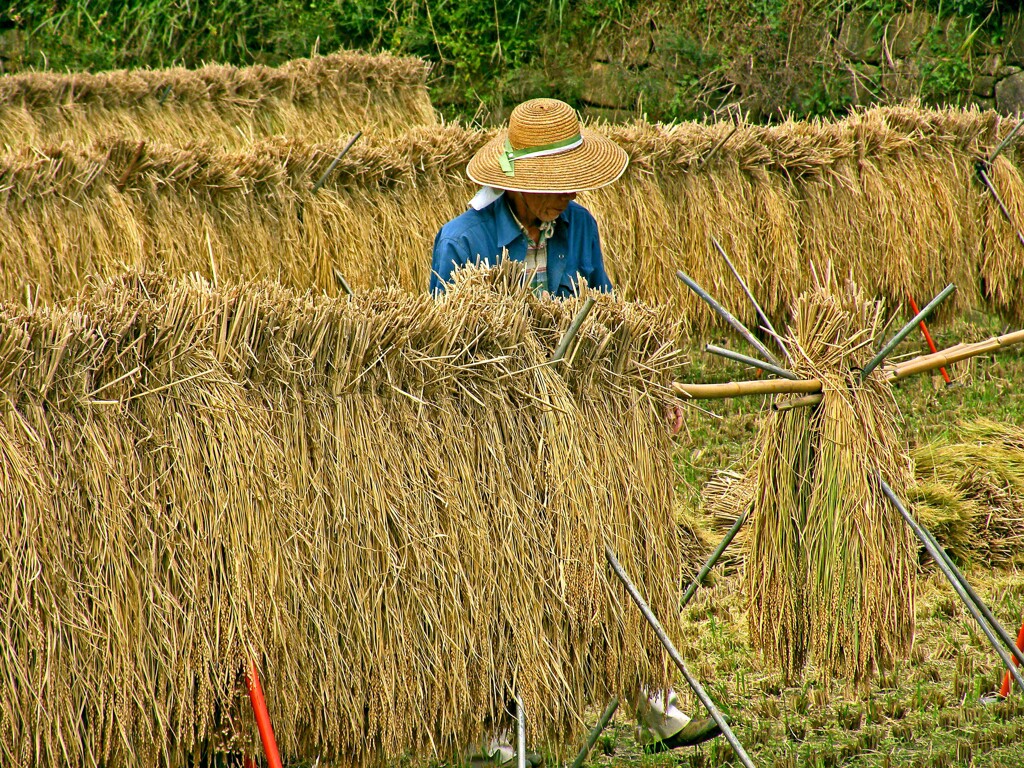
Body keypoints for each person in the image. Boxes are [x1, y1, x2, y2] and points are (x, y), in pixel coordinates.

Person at [431, 98, 722, 764]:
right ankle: (498, 726)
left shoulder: (579, 227)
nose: (564, 197)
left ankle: (652, 697)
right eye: (552, 186)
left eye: (570, 183)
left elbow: (608, 310)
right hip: (498, 438)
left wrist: (654, 384)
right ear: (515, 185)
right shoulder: (462, 241)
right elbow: (440, 352)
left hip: (583, 431)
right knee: (507, 575)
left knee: (616, 556)